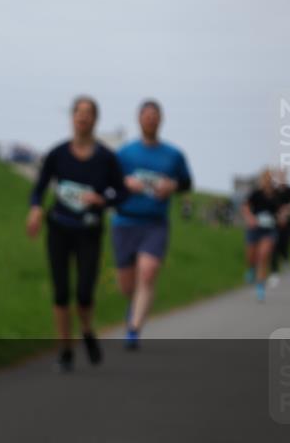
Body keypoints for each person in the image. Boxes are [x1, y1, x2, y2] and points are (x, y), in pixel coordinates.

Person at [26, 96, 127, 372]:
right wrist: (35, 209)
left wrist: (102, 199)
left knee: (83, 293)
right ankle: (65, 349)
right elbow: (39, 188)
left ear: (95, 120)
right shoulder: (57, 154)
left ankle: (86, 330)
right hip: (59, 227)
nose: (82, 117)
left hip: (89, 230)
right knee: (61, 292)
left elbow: (121, 193)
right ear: (72, 118)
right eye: (78, 113)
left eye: (88, 113)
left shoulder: (106, 158)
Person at [112, 100, 192, 350]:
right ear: (139, 119)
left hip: (155, 223)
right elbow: (110, 182)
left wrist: (173, 186)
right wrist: (125, 183)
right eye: (146, 116)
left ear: (161, 120)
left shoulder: (174, 155)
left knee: (147, 273)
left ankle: (134, 329)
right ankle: (133, 305)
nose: (150, 120)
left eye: (154, 116)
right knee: (126, 284)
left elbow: (187, 183)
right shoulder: (125, 153)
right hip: (125, 221)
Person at [242, 169, 282, 302]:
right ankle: (251, 268)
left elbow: (281, 211)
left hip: (269, 230)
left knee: (263, 256)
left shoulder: (277, 195)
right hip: (254, 229)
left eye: (270, 179)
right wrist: (250, 218)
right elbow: (245, 207)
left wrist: (282, 217)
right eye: (265, 178)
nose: (267, 181)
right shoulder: (256, 193)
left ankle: (260, 287)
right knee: (251, 256)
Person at [271, 168, 290, 280]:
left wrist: (286, 213)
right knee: (274, 246)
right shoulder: (274, 192)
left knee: (285, 244)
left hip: (287, 223)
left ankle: (286, 261)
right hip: (275, 223)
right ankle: (274, 271)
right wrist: (278, 215)